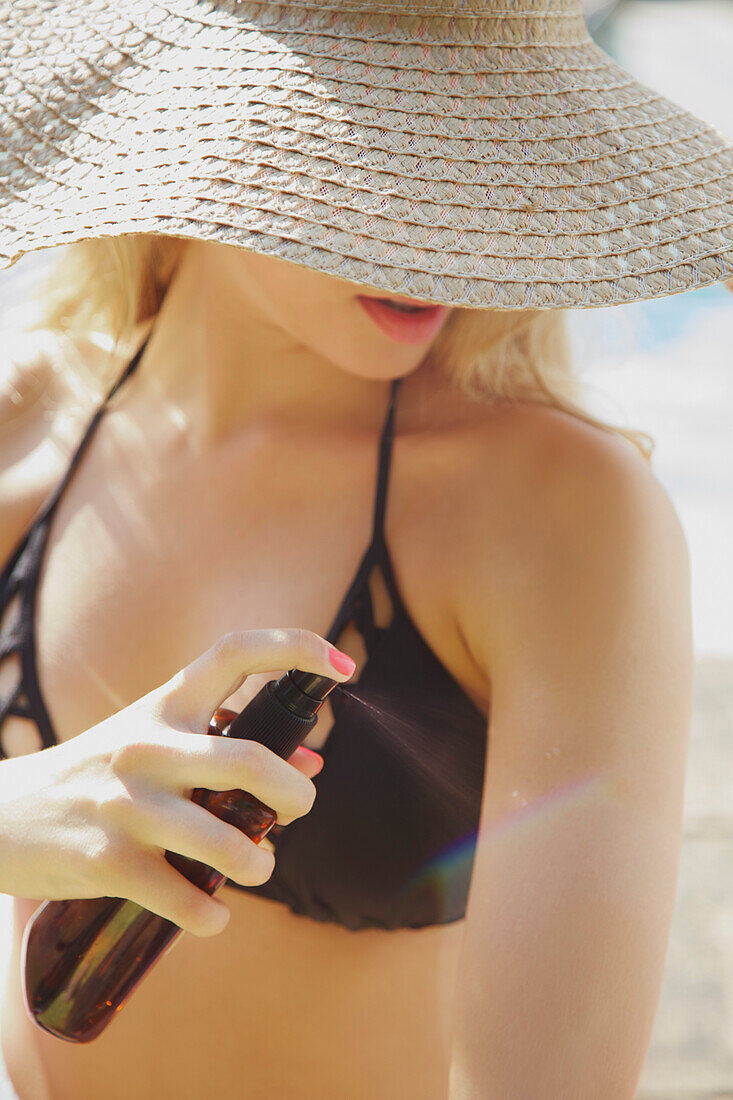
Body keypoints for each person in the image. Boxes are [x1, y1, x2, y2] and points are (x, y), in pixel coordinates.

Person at [0, 1, 731, 1097]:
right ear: (202, 120)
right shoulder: (26, 426)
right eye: (366, 136)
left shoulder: (560, 516)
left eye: (479, 144)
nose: (442, 223)